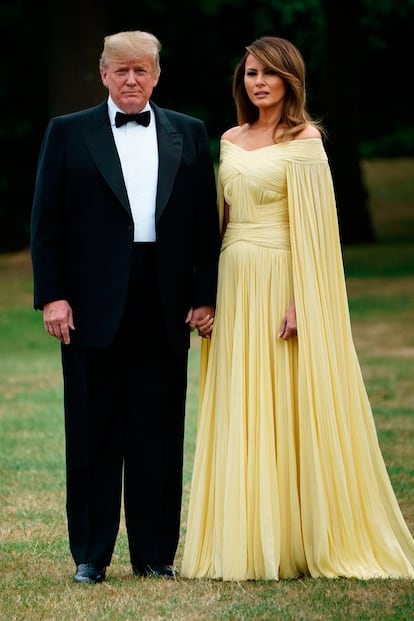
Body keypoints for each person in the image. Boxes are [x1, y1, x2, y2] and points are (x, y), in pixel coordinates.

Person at [181, 36, 414, 581]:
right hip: (235, 280)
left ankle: (296, 536)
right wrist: (205, 295)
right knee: (241, 398)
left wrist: (302, 300)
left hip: (282, 278)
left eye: (268, 74)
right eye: (250, 73)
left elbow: (319, 234)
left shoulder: (305, 140)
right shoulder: (230, 139)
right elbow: (216, 221)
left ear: (291, 80)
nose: (257, 82)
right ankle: (244, 534)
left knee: (285, 402)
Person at [30, 30, 221, 584]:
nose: (131, 80)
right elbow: (47, 222)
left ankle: (155, 553)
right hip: (89, 303)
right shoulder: (67, 132)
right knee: (91, 430)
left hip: (165, 300)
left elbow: (204, 225)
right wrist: (54, 295)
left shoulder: (189, 132)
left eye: (141, 70)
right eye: (121, 71)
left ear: (157, 75)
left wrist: (204, 294)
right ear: (103, 74)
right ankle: (91, 555)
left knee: (157, 430)